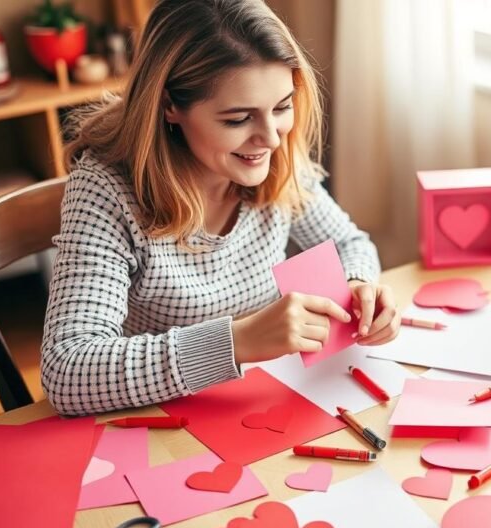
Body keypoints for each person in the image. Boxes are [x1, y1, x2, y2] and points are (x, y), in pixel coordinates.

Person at [41, 0, 400, 416]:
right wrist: (239, 341)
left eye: (282, 107)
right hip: (157, 420)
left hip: (262, 405)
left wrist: (358, 286)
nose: (270, 138)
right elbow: (67, 371)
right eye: (238, 119)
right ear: (170, 106)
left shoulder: (275, 160)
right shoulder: (107, 189)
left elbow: (348, 243)